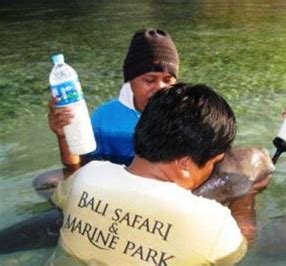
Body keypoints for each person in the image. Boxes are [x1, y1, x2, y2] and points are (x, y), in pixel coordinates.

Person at [49, 83, 247, 265]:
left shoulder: (85, 177)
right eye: (214, 162)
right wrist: (246, 198)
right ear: (185, 163)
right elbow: (242, 248)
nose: (212, 171)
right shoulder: (213, 224)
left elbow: (61, 197)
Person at [48, 28, 179, 171]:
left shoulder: (186, 119)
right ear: (130, 80)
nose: (160, 88)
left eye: (167, 80)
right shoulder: (104, 119)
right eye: (150, 80)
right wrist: (65, 136)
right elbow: (78, 167)